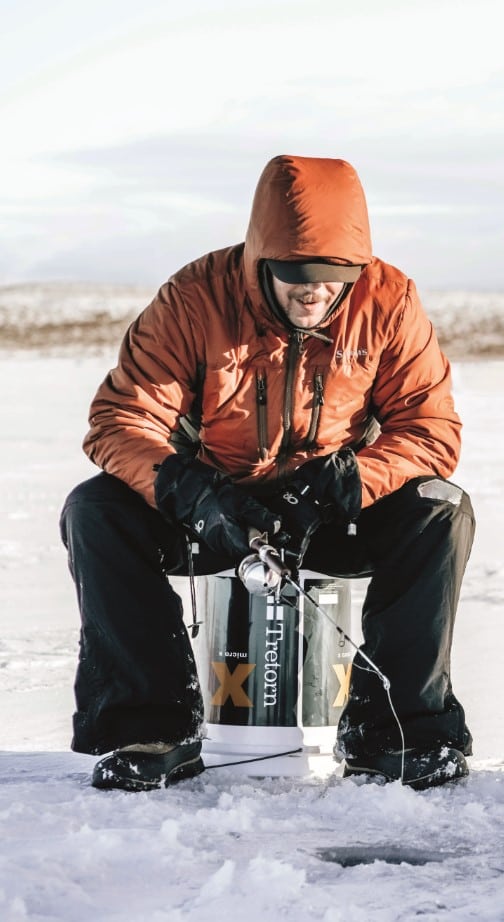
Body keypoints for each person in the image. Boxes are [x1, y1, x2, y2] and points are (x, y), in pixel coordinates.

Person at [59, 155, 475, 792]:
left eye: (333, 279)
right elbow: (122, 418)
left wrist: (354, 482)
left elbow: (430, 427)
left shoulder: (390, 300)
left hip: (333, 507)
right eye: (296, 276)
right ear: (261, 262)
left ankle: (399, 733)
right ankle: (150, 728)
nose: (314, 293)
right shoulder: (195, 299)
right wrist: (187, 490)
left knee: (440, 508)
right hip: (213, 508)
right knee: (97, 509)